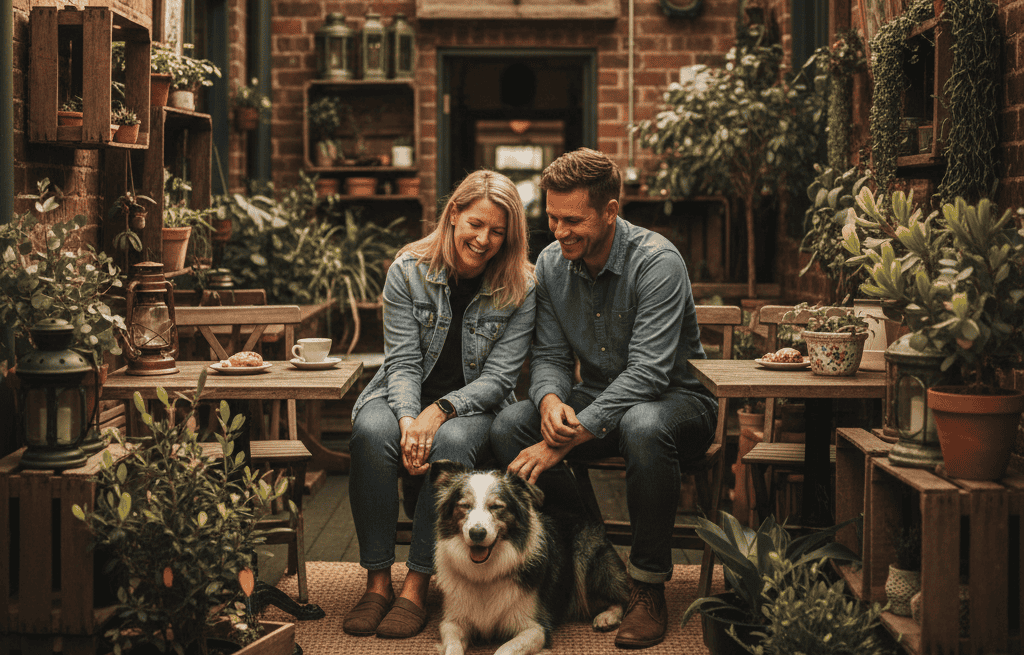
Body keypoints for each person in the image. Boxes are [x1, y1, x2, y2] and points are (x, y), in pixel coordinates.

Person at [488, 148, 717, 649]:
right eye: (551, 217)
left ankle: (649, 586)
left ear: (611, 211)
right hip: (597, 399)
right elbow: (547, 354)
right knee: (510, 425)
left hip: (679, 403)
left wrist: (562, 443)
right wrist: (550, 403)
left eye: (574, 220)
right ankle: (599, 555)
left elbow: (649, 374)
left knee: (643, 425)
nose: (560, 231)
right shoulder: (550, 263)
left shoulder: (656, 261)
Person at [344, 170, 536, 639]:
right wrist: (410, 419)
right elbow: (404, 362)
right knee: (372, 433)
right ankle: (376, 584)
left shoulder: (522, 285)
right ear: (453, 215)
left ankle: (416, 584)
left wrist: (439, 412)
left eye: (497, 232)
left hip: (473, 406)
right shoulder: (408, 269)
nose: (484, 239)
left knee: (450, 443)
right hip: (401, 395)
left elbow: (498, 380)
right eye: (476, 224)